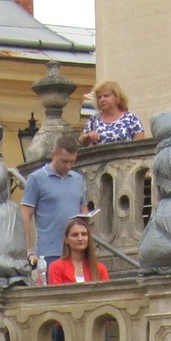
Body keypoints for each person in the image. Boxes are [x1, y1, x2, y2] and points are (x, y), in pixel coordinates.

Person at [21, 136, 87, 275]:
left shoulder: (78, 179)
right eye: (64, 161)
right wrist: (28, 250)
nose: (68, 166)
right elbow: (25, 215)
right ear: (53, 155)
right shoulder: (36, 179)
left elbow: (83, 208)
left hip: (76, 251)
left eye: (72, 161)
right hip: (49, 252)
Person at [46, 216, 110, 285]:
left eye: (84, 234)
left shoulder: (99, 268)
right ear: (66, 239)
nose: (80, 238)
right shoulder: (56, 267)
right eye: (75, 235)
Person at [81, 80, 144, 145]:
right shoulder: (93, 120)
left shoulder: (131, 119)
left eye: (106, 96)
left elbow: (140, 146)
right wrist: (87, 136)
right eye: (99, 97)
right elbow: (80, 143)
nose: (102, 99)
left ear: (117, 97)